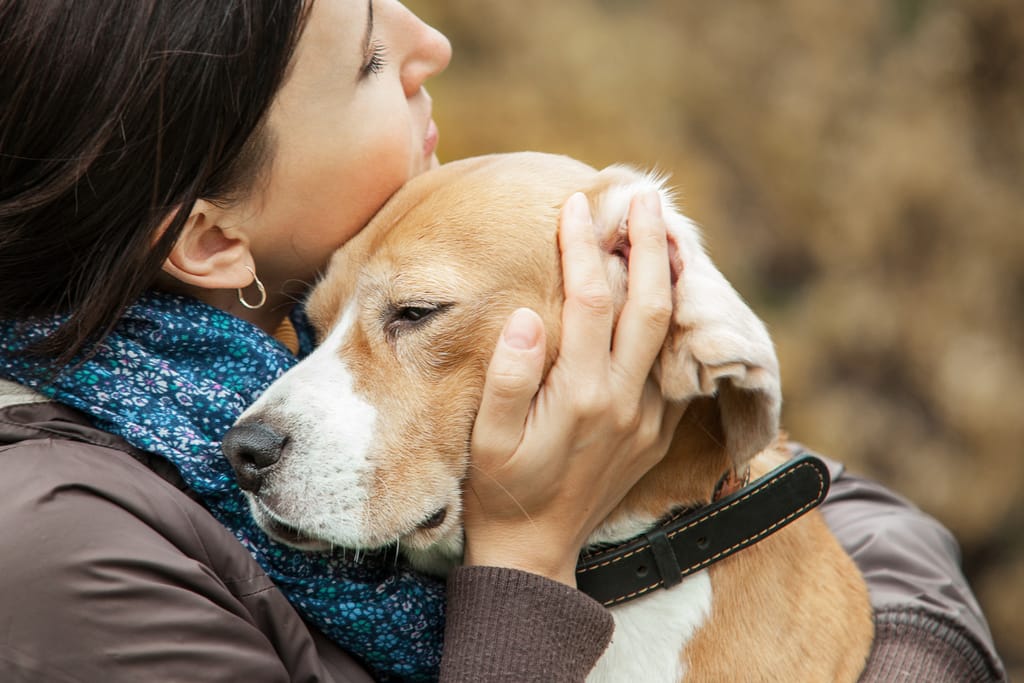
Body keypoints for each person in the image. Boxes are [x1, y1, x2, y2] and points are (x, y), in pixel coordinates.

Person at [0, 1, 1006, 682]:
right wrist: (525, 553)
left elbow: (820, 501)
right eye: (367, 59)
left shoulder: (289, 343)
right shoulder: (63, 549)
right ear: (212, 237)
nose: (429, 39)